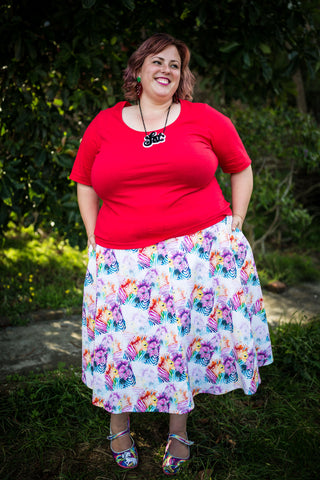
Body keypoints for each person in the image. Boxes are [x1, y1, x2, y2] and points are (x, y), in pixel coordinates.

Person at [69, 33, 273, 475]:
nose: (166, 70)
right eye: (157, 61)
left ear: (182, 76)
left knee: (185, 341)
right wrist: (92, 235)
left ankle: (179, 429)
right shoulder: (104, 124)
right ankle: (118, 425)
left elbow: (240, 166)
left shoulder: (205, 119)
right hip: (122, 254)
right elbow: (84, 181)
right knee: (120, 344)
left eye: (175, 65)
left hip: (197, 252)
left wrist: (235, 222)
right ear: (138, 70)